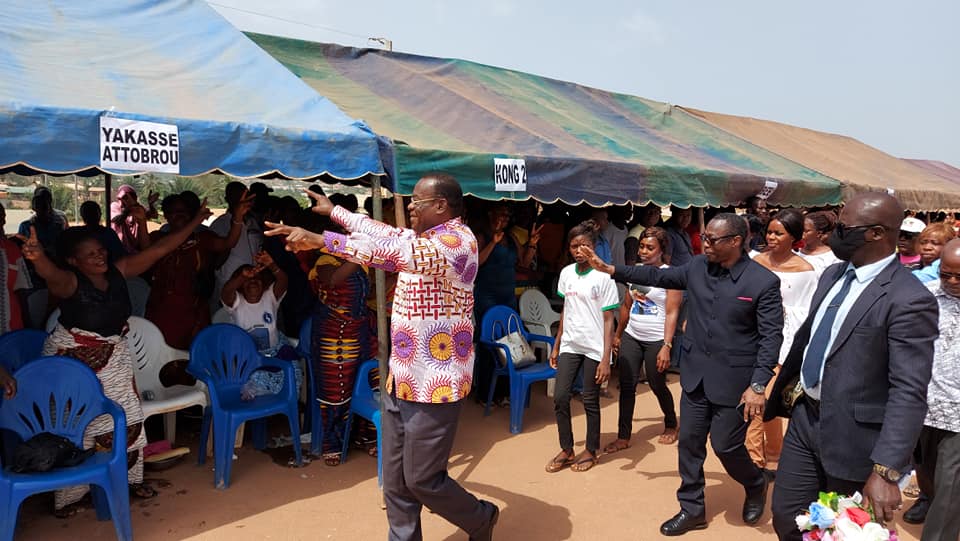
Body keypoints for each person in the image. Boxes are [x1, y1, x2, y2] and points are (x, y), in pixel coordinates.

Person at [264, 173, 499, 541]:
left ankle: (481, 518)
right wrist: (336, 212)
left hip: (435, 385)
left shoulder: (457, 242)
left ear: (441, 205)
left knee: (422, 479)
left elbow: (393, 254)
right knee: (395, 482)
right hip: (401, 377)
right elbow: (387, 235)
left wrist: (322, 240)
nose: (410, 206)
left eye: (417, 202)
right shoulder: (425, 237)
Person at [583, 213, 782, 536]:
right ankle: (692, 509)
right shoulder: (697, 267)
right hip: (695, 375)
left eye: (712, 240)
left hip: (735, 381)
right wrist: (612, 269)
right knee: (689, 444)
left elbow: (771, 337)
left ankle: (755, 482)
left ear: (735, 241)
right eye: (705, 238)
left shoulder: (763, 282)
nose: (704, 244)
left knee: (726, 446)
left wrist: (758, 385)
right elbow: (656, 275)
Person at [765, 193, 939, 541]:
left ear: (876, 233)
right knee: (788, 518)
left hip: (856, 439)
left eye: (845, 228)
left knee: (844, 530)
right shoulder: (832, 275)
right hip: (806, 419)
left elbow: (909, 390)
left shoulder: (908, 298)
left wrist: (886, 470)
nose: (834, 235)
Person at [21, 201, 211, 516]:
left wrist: (196, 221)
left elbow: (161, 248)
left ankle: (127, 480)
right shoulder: (70, 282)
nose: (100, 256)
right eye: (90, 254)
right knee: (80, 424)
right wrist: (37, 256)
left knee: (129, 418)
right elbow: (50, 274)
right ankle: (73, 495)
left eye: (101, 251)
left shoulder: (119, 271)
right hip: (73, 360)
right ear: (73, 261)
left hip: (115, 356)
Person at [542, 220, 617, 474]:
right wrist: (557, 344)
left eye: (584, 245)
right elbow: (566, 310)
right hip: (570, 344)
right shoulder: (566, 274)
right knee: (561, 396)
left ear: (593, 247)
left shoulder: (603, 277)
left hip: (594, 347)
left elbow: (608, 320)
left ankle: (591, 450)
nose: (578, 250)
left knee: (589, 399)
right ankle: (567, 448)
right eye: (574, 246)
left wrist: (606, 358)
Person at [748, 209, 818, 472]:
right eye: (769, 232)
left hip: (782, 343)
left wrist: (779, 311)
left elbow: (807, 312)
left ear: (794, 238)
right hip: (751, 337)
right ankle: (771, 453)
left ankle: (756, 460)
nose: (772, 237)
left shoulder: (806, 271)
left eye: (779, 233)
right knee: (757, 399)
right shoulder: (754, 262)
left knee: (761, 397)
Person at [901, 239, 960, 540]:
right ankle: (927, 499)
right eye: (945, 274)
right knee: (925, 469)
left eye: (959, 276)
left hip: (958, 413)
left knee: (950, 482)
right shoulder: (924, 296)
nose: (952, 282)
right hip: (922, 402)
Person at [603, 226, 680, 454]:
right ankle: (623, 436)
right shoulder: (635, 272)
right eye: (642, 247)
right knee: (627, 385)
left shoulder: (670, 276)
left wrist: (666, 345)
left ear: (661, 250)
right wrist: (618, 335)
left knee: (657, 383)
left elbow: (672, 313)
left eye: (649, 248)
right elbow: (626, 306)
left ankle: (671, 423)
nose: (643, 252)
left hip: (657, 339)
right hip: (632, 336)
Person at [145, 192, 252, 349]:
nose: (179, 215)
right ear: (166, 215)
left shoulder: (202, 239)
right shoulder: (157, 238)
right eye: (174, 211)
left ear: (190, 214)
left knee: (196, 354)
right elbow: (144, 248)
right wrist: (141, 220)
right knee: (163, 354)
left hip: (194, 312)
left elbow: (228, 243)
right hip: (163, 311)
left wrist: (237, 217)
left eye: (183, 211)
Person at [308, 247, 378, 466]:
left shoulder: (362, 265)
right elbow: (333, 280)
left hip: (360, 330)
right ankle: (333, 443)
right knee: (336, 389)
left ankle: (364, 436)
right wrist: (361, 254)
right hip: (333, 332)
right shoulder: (325, 261)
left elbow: (367, 295)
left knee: (370, 381)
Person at [211, 181, 264, 311]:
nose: (243, 200)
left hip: (251, 284)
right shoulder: (220, 224)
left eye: (246, 195)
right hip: (228, 282)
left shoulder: (253, 222)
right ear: (227, 199)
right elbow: (215, 261)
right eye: (238, 196)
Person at [1, 205, 32, 333]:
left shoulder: (11, 249)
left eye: (2, 217)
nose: (2, 221)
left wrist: (28, 325)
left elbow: (22, 291)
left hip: (10, 325)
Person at [110, 184, 157, 254]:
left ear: (134, 199)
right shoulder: (115, 206)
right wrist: (128, 209)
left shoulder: (137, 209)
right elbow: (117, 220)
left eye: (126, 199)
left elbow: (154, 215)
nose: (121, 204)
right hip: (119, 249)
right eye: (120, 199)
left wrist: (151, 205)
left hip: (134, 250)